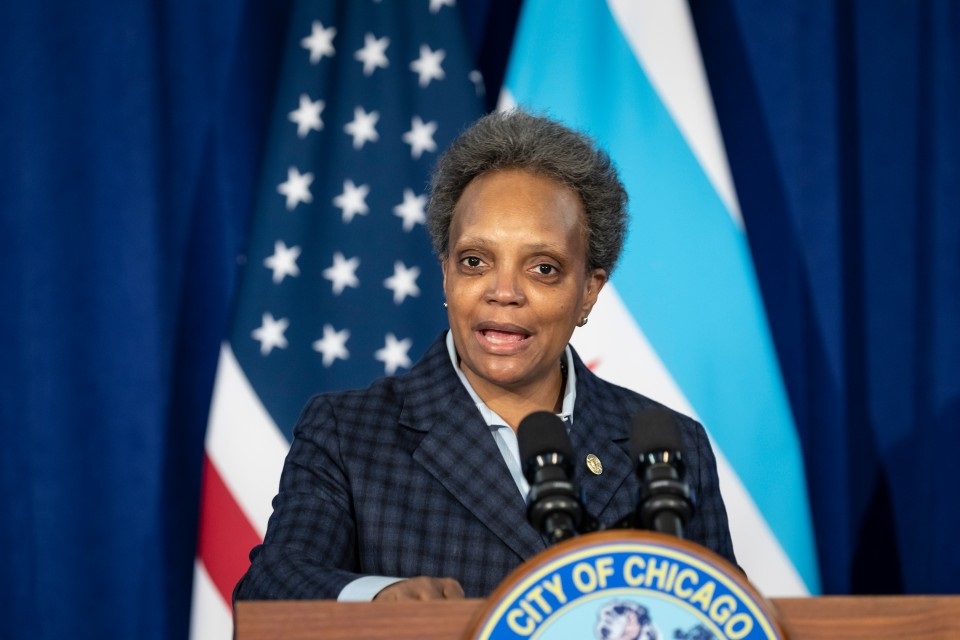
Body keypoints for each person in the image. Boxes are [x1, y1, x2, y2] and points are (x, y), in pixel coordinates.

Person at [233, 110, 736, 603]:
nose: (504, 292)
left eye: (543, 268)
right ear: (445, 274)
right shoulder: (349, 433)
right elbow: (270, 588)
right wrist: (380, 599)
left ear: (589, 291)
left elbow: (731, 617)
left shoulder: (672, 449)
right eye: (475, 261)